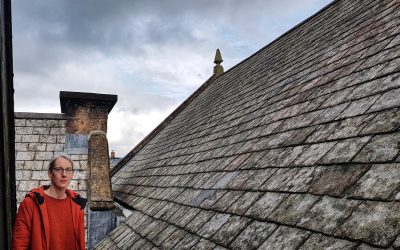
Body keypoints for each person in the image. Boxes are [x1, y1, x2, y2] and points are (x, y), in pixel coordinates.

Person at [12, 154, 87, 250]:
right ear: (50, 174)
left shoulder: (77, 205)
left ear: (71, 175)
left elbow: (80, 244)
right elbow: (19, 244)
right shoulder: (31, 203)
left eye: (68, 170)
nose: (64, 174)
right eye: (58, 169)